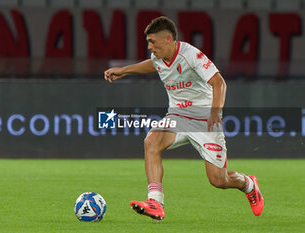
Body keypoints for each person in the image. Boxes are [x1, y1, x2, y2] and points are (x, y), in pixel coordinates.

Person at [104, 16, 264, 220]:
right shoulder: (159, 57)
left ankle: (248, 184)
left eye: (152, 41)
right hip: (177, 116)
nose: (150, 47)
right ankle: (155, 202)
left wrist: (215, 110)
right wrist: (124, 71)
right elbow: (153, 65)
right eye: (148, 42)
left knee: (218, 180)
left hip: (204, 119)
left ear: (168, 39)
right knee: (151, 142)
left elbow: (219, 83)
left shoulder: (191, 55)